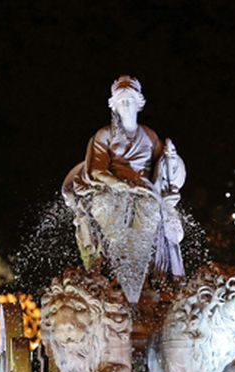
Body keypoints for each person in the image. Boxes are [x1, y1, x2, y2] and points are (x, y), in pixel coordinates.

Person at [62, 76, 186, 287]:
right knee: (105, 204)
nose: (126, 104)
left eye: (129, 99)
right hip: (110, 188)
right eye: (121, 100)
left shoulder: (149, 136)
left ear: (139, 103)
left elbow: (161, 168)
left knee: (149, 207)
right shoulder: (104, 135)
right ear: (114, 106)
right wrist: (117, 183)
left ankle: (140, 265)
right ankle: (117, 261)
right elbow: (96, 169)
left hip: (144, 190)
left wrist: (171, 160)